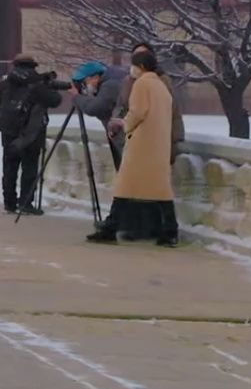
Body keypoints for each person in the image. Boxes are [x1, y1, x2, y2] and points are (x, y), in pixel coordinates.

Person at [87, 48, 180, 247]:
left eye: (134, 65)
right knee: (160, 189)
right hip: (159, 143)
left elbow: (137, 112)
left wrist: (123, 124)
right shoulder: (161, 86)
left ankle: (110, 229)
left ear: (142, 67)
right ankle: (170, 231)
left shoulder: (142, 84)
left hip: (142, 143)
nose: (132, 69)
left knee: (124, 185)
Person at [0, 54, 64, 216]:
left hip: (9, 131)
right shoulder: (38, 84)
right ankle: (26, 203)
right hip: (31, 133)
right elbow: (55, 100)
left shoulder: (6, 83)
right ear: (33, 66)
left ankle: (9, 203)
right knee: (30, 167)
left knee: (9, 167)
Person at [111, 41, 186, 160]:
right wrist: (115, 123)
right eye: (136, 55)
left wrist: (126, 123)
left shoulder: (160, 80)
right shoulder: (128, 81)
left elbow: (168, 111)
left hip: (155, 141)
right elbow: (121, 105)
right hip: (133, 140)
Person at [71, 61, 120, 165]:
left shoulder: (110, 85)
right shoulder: (107, 84)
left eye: (85, 82)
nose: (84, 86)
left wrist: (77, 97)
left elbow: (96, 108)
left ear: (95, 77)